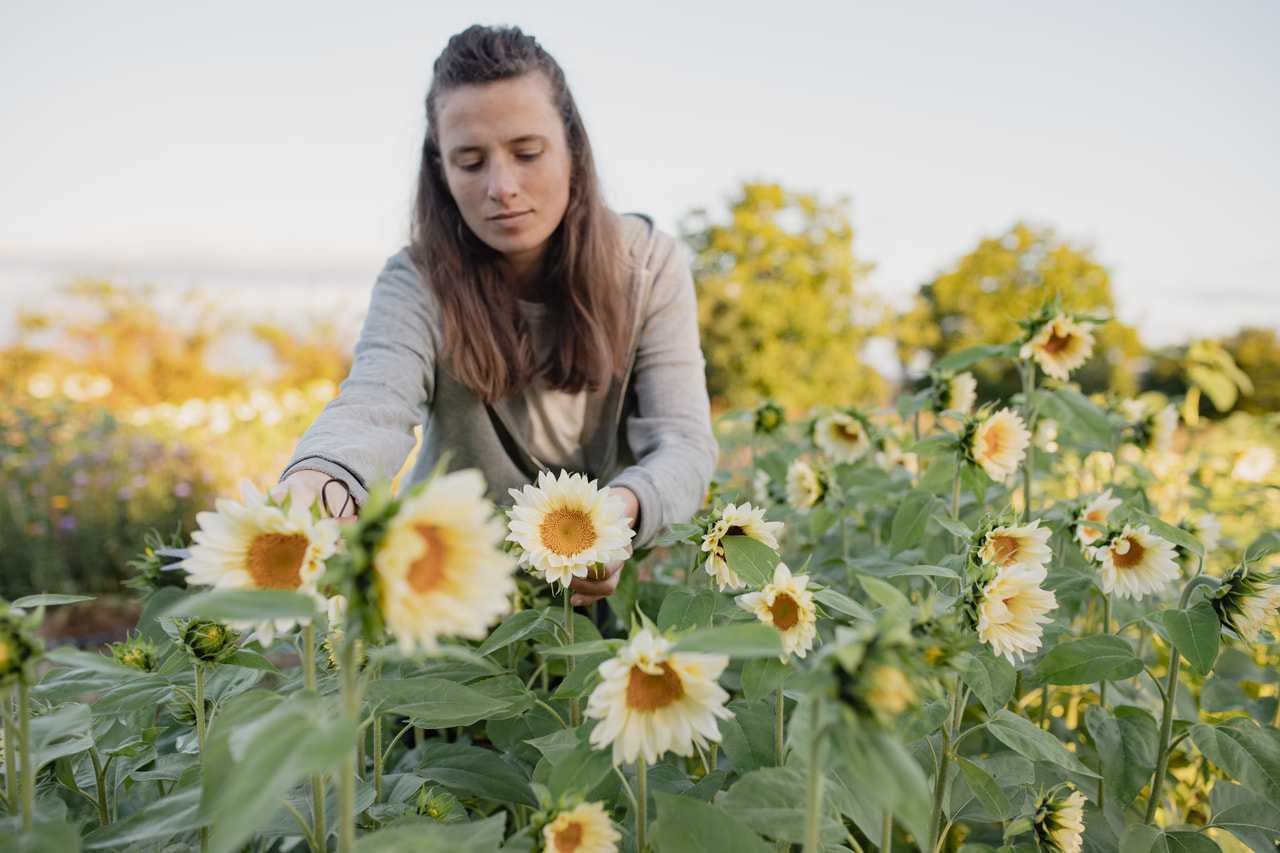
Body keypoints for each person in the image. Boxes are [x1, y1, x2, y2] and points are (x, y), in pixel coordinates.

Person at [273, 25, 718, 607]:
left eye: (527, 153)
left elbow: (684, 441)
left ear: (573, 150)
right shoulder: (415, 280)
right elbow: (372, 404)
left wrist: (618, 515)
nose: (502, 187)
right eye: (470, 162)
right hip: (443, 588)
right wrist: (318, 480)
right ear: (440, 170)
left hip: (597, 595)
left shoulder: (649, 265)